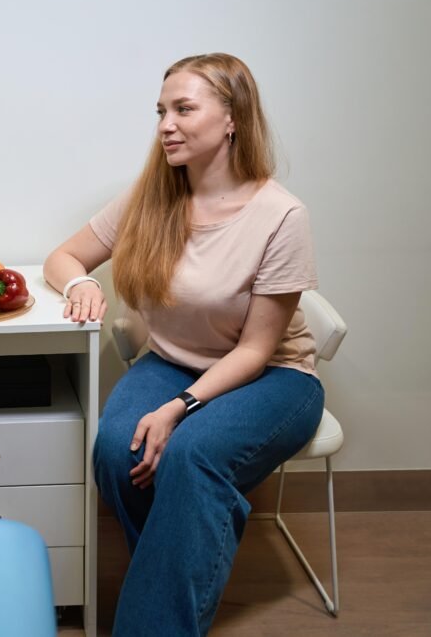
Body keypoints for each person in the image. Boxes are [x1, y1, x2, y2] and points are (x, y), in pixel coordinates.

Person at [43, 53, 324, 635]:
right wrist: (79, 284)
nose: (166, 124)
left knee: (191, 456)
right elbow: (63, 257)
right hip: (171, 363)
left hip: (275, 378)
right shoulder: (149, 199)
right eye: (161, 111)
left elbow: (254, 351)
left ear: (232, 119)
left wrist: (179, 408)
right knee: (118, 448)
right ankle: (198, 535)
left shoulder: (280, 216)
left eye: (184, 109)